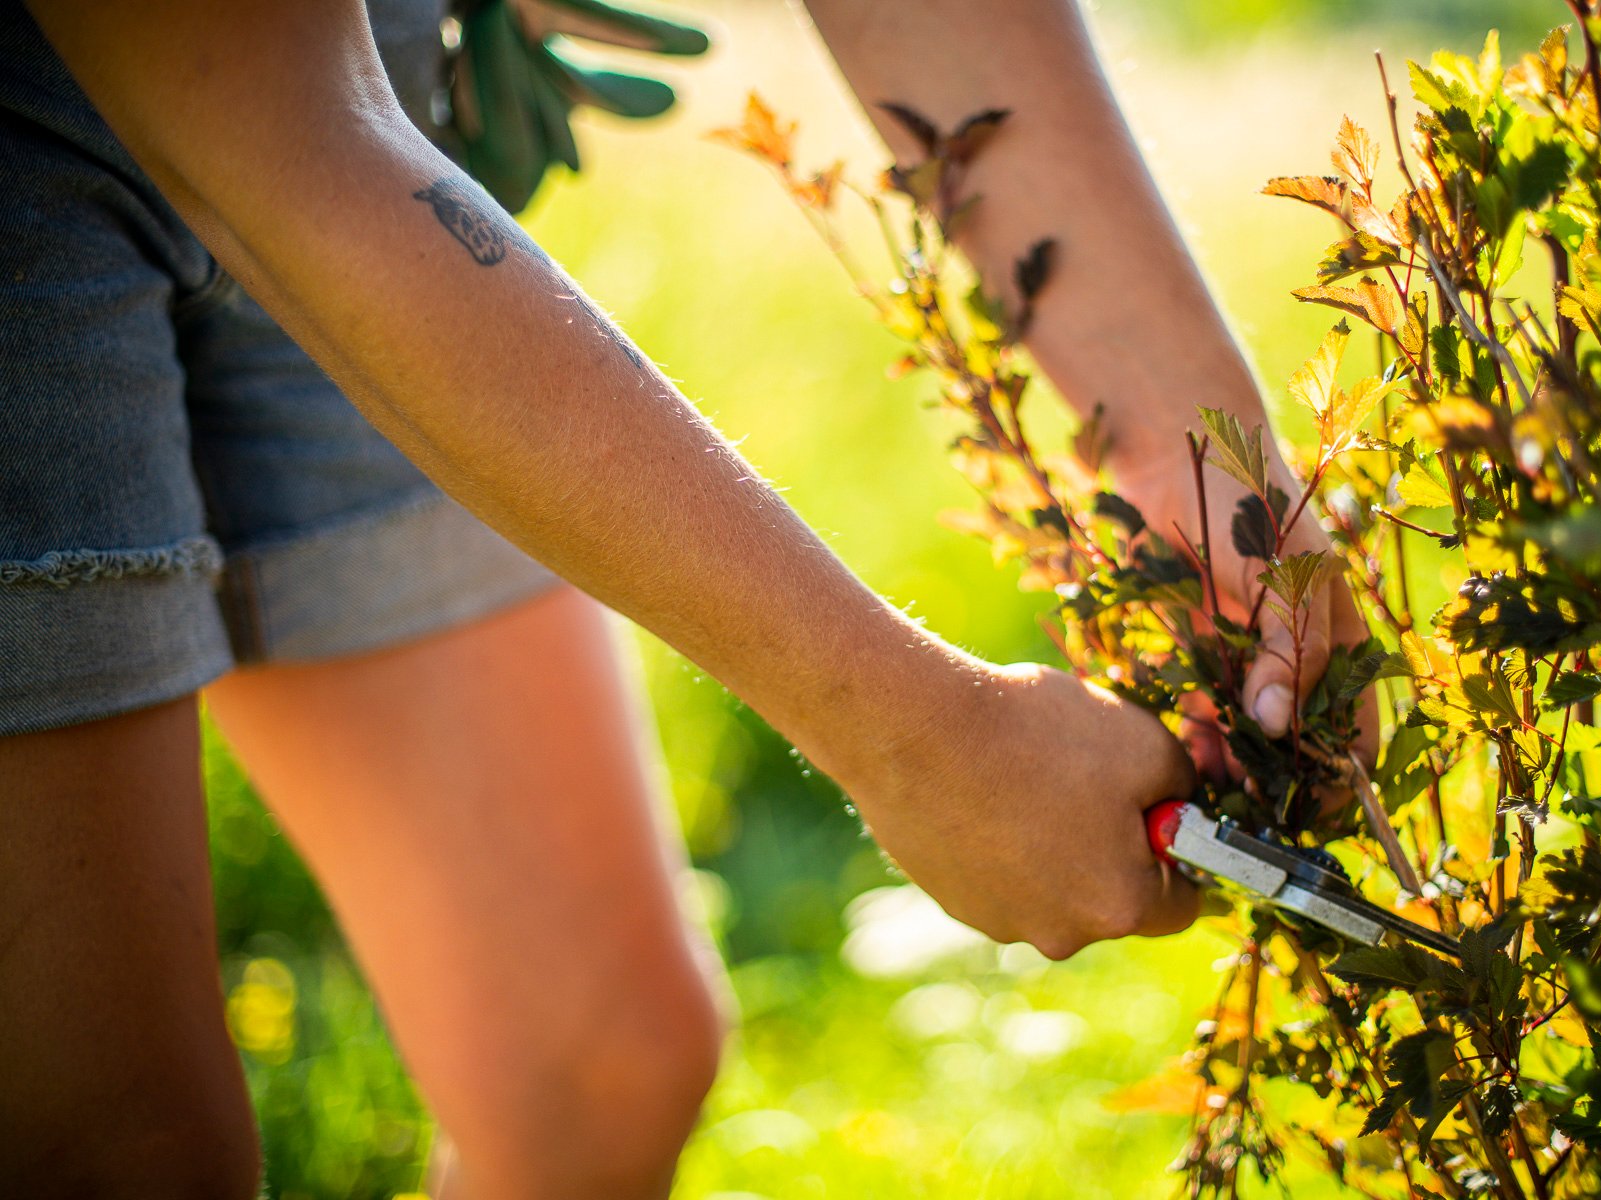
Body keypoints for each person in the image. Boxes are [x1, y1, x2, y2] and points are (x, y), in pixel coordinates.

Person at [0, 0, 1366, 1195]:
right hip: (121, 156)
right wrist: (921, 737)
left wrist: (1213, 465)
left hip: (354, 96)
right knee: (121, 1160)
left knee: (600, 1069)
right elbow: (285, 140)